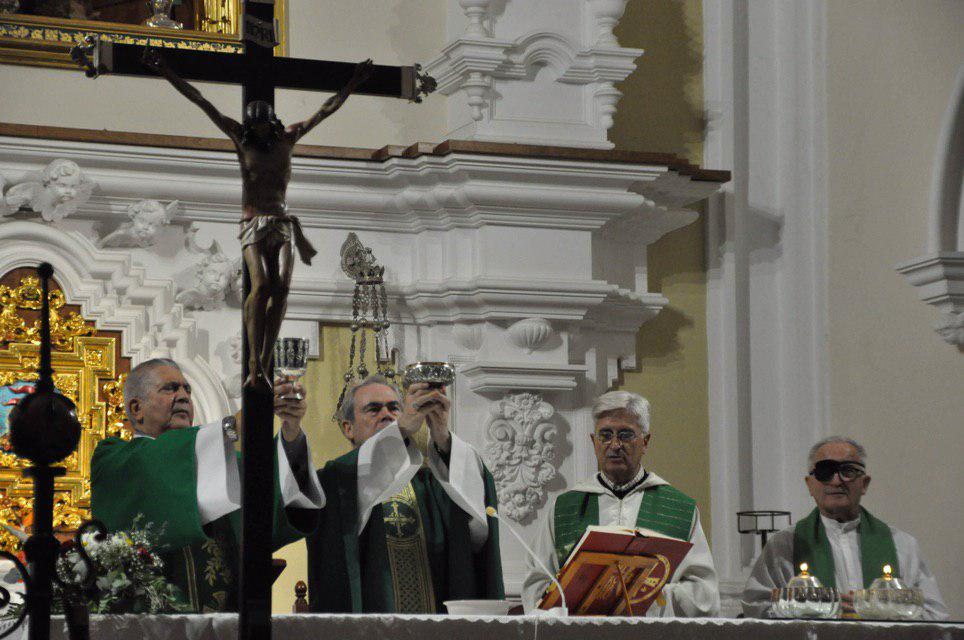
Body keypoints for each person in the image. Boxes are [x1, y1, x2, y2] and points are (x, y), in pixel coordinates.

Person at [142, 47, 373, 391]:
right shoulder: (240, 138)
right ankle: (253, 364)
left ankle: (264, 364)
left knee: (281, 289)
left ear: (273, 124)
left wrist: (352, 83)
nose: (263, 131)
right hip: (252, 224)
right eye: (258, 126)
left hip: (282, 223)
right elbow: (202, 101)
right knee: (261, 285)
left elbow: (324, 111)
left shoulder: (288, 138)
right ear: (252, 125)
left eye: (267, 126)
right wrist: (168, 73)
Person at [91, 358, 324, 613]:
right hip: (149, 625)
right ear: (136, 408)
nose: (183, 396)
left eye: (187, 390)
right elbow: (158, 463)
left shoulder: (228, 466)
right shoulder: (114, 460)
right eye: (169, 388)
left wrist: (291, 431)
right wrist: (242, 420)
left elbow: (281, 502)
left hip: (226, 625)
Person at [306, 375, 504, 613]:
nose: (387, 415)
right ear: (348, 428)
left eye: (394, 408)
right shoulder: (335, 482)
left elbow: (475, 526)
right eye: (373, 409)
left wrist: (442, 435)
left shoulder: (432, 485)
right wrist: (400, 429)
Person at [521, 390, 720, 616]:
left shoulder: (679, 509)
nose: (615, 444)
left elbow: (704, 595)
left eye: (626, 435)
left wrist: (649, 596)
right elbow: (537, 585)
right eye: (605, 435)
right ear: (593, 442)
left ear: (645, 442)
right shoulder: (564, 508)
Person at [741, 436, 949, 620]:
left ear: (865, 484)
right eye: (825, 472)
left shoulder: (901, 545)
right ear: (809, 485)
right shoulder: (785, 545)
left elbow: (935, 615)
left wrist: (877, 610)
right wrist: (823, 608)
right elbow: (757, 608)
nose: (836, 480)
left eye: (848, 471)